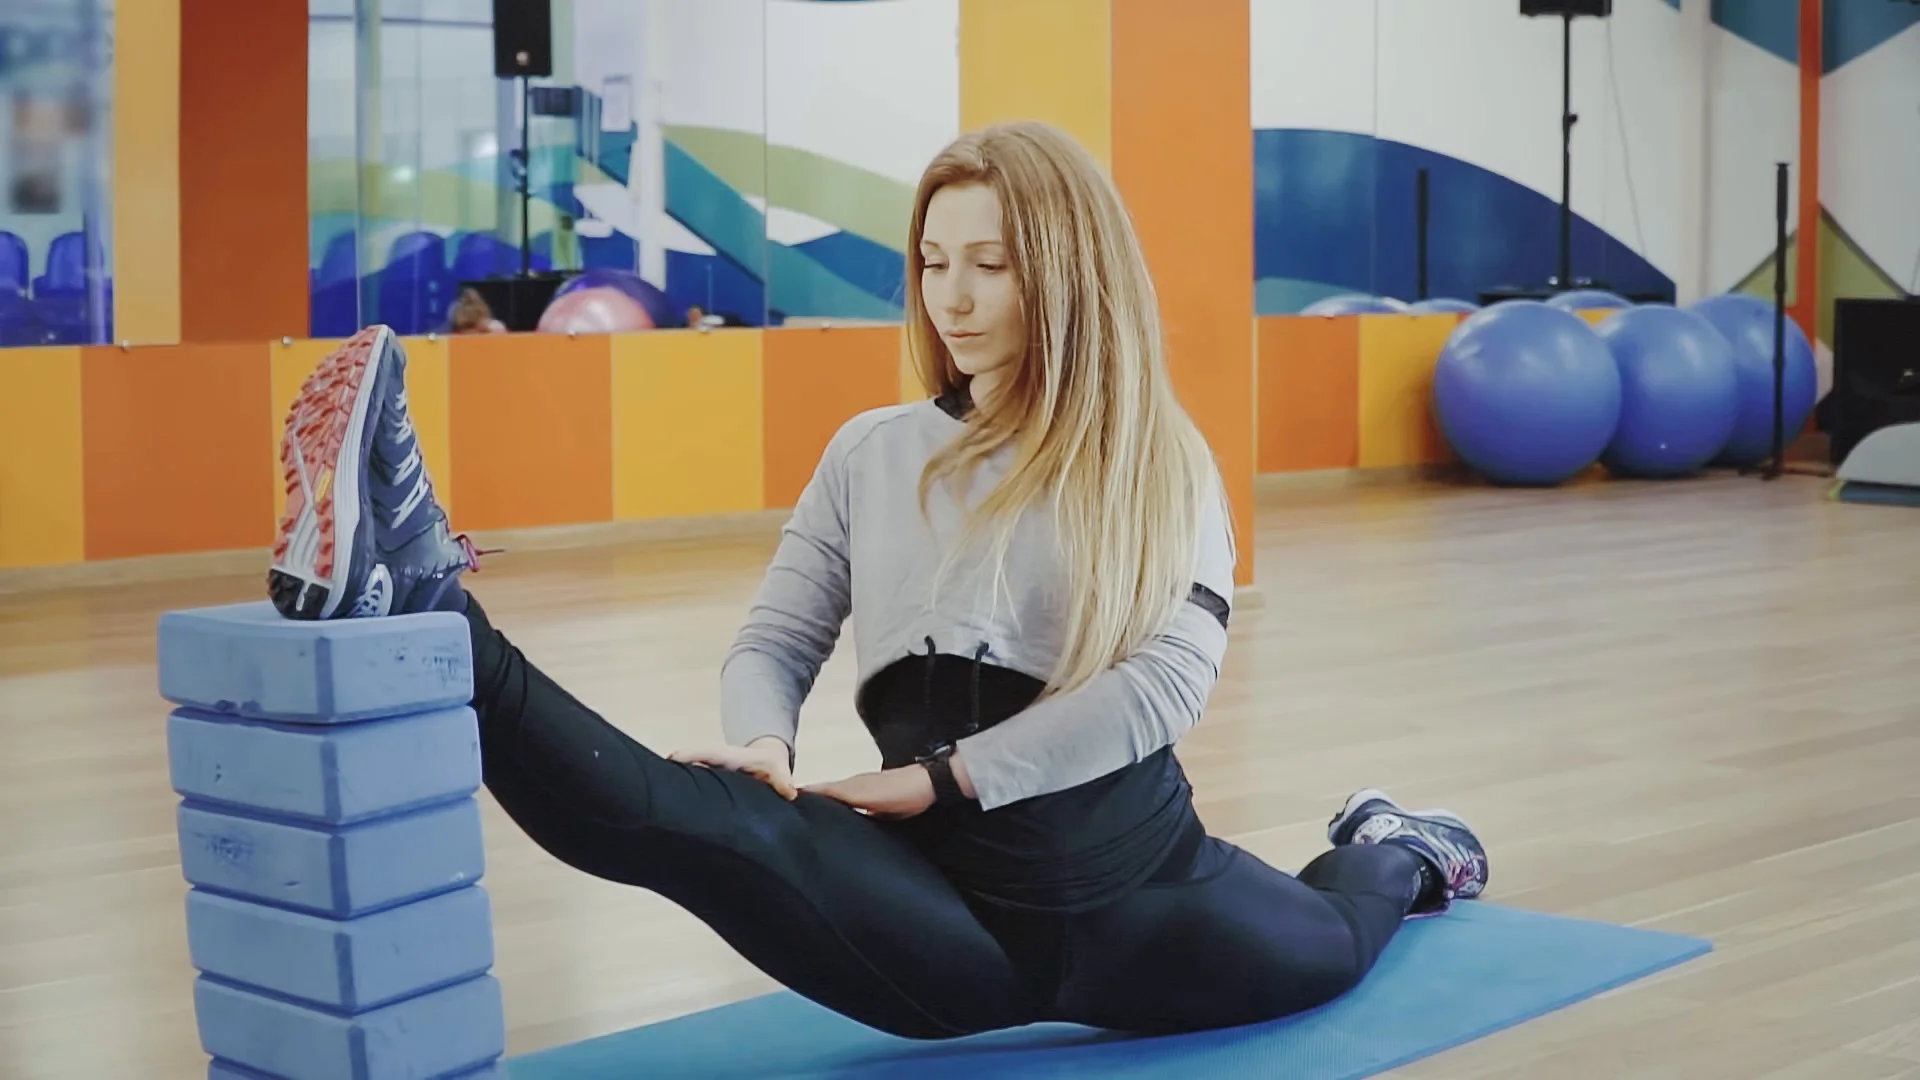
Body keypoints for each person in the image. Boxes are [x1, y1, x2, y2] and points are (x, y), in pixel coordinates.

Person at [265, 121, 1488, 1040]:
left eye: (992, 265)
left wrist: (940, 776)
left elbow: (1168, 685)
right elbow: (778, 636)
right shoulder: (873, 451)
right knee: (707, 823)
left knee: (1343, 931)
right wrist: (764, 741)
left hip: (1144, 907)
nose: (951, 297)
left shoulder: (1158, 457)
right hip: (940, 917)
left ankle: (1395, 839)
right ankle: (428, 597)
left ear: (1065, 272)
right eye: (934, 260)